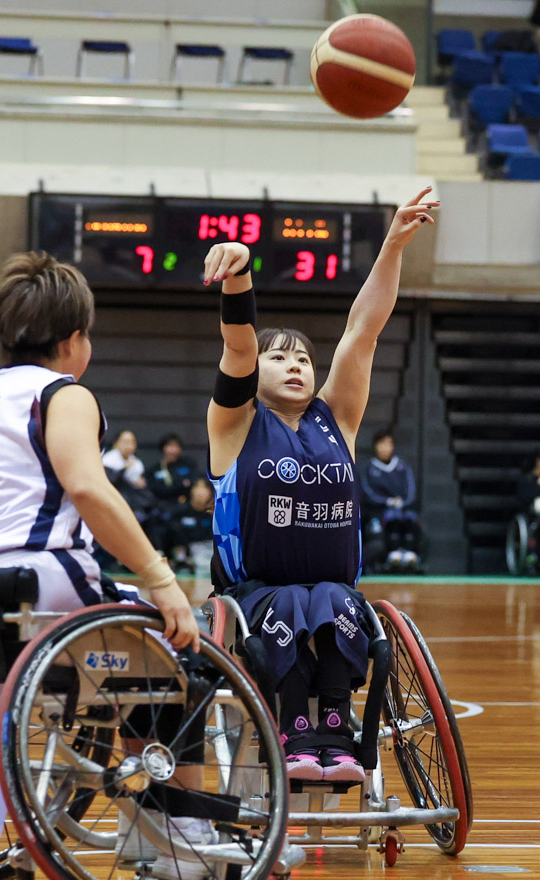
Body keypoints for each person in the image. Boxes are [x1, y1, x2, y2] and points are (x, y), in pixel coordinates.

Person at [0, 252, 201, 877]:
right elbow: (91, 490)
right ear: (73, 341)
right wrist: (163, 580)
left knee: (134, 638)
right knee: (184, 652)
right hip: (36, 588)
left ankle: (132, 818)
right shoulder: (61, 394)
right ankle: (177, 832)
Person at [203, 186, 437, 785]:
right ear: (258, 375)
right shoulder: (234, 423)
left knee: (335, 602)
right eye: (279, 358)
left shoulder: (339, 420)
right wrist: (239, 277)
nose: (296, 364)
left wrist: (391, 246)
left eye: (304, 357)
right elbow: (238, 344)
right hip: (254, 595)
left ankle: (334, 721)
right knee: (287, 604)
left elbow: (365, 328)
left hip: (333, 589)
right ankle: (292, 727)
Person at [359, 428, 421, 572]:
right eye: (382, 444)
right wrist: (387, 502)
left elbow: (411, 492)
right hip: (377, 514)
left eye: (389, 444)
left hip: (402, 512)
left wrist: (401, 503)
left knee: (409, 524)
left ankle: (408, 554)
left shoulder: (402, 466)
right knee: (377, 543)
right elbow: (368, 493)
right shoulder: (368, 468)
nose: (385, 448)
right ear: (375, 446)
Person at [103, 429, 157, 534]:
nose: (129, 445)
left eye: (132, 442)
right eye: (125, 442)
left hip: (135, 503)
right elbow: (110, 482)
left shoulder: (136, 462)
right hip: (115, 503)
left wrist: (142, 484)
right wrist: (124, 470)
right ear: (116, 443)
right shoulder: (108, 460)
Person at [164, 477, 214, 574]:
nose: (200, 492)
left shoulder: (215, 514)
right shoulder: (179, 513)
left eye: (204, 487)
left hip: (208, 556)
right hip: (185, 559)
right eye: (197, 487)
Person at [149, 433, 198, 513]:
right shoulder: (155, 469)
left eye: (175, 446)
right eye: (169, 446)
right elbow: (158, 490)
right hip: (163, 507)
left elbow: (192, 482)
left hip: (186, 505)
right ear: (163, 448)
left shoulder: (188, 464)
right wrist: (181, 485)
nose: (172, 450)